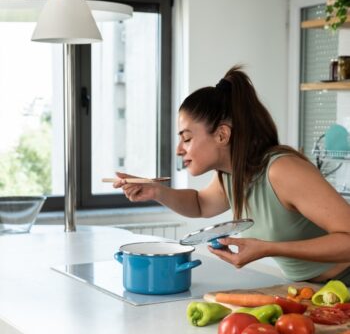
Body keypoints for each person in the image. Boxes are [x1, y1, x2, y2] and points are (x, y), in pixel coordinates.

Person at [113, 65, 350, 284]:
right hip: (314, 289)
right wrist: (156, 191)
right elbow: (200, 204)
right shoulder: (231, 175)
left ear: (222, 135)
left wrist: (269, 248)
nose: (179, 149)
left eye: (187, 138)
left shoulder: (282, 170)